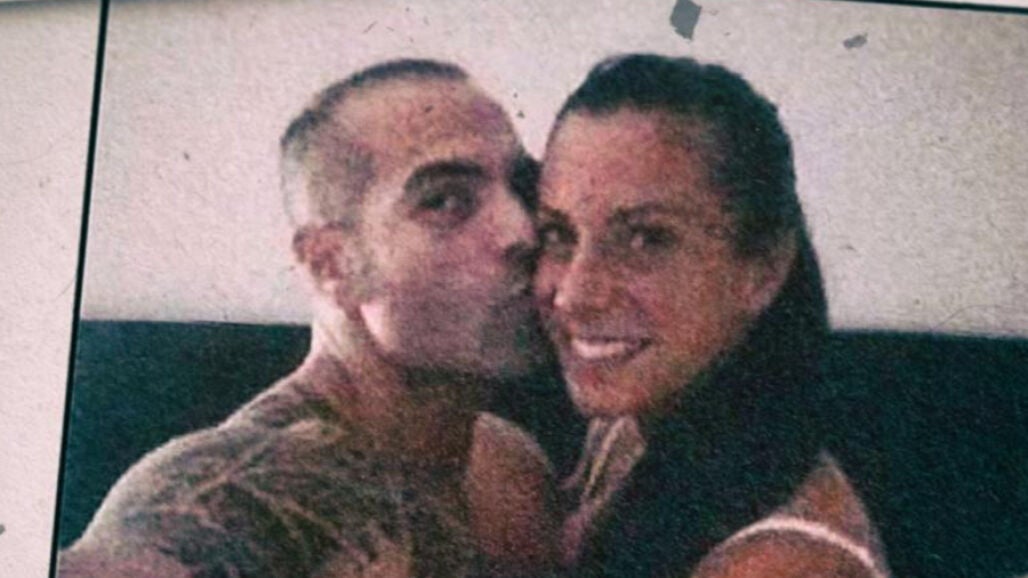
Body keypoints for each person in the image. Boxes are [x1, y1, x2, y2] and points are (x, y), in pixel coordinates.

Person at [58, 59, 558, 577]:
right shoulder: (251, 480)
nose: (521, 231)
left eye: (522, 186)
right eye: (445, 202)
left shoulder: (508, 463)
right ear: (331, 264)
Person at [532, 54, 891, 577]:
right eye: (559, 234)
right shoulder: (628, 431)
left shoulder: (782, 567)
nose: (572, 294)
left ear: (763, 269)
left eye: (645, 238)